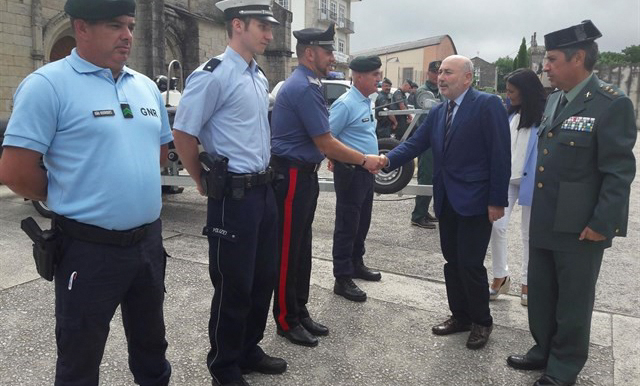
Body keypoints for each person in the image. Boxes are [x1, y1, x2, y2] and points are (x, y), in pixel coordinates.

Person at [0, 0, 172, 384]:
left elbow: (158, 154)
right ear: (81, 28)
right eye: (115, 26)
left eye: (130, 25)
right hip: (89, 250)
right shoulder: (48, 85)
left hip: (147, 245)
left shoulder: (145, 86)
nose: (127, 36)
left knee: (152, 347)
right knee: (80, 355)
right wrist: (75, 191)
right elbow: (15, 172)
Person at [506, 20, 637, 386]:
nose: (544, 66)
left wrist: (602, 222)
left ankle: (563, 369)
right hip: (547, 215)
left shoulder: (612, 103)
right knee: (543, 292)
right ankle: (543, 350)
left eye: (551, 59)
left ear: (578, 58)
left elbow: (618, 172)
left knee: (574, 301)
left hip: (581, 224)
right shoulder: (555, 100)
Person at [171, 1, 285, 385]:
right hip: (233, 196)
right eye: (262, 27)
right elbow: (184, 131)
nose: (269, 34)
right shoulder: (213, 75)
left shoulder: (258, 75)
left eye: (270, 27)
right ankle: (224, 365)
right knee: (233, 283)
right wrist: (200, 179)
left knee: (262, 278)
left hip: (262, 191)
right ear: (237, 25)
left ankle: (248, 349)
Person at [377, 55, 510, 350]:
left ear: (467, 78)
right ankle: (460, 316)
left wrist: (497, 201)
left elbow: (500, 155)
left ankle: (481, 321)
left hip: (476, 201)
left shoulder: (487, 105)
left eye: (448, 72)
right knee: (452, 261)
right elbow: (415, 144)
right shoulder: (439, 111)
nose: (441, 77)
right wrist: (386, 159)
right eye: (439, 73)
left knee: (471, 264)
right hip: (447, 199)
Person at [270, 23, 382, 348]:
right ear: (309, 52)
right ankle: (285, 319)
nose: (333, 57)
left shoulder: (311, 84)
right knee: (289, 251)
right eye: (328, 51)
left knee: (302, 248)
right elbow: (327, 142)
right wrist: (364, 159)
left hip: (304, 174)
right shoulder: (303, 87)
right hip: (291, 175)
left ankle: (299, 310)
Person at [488, 68, 546, 306]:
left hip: (533, 184)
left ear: (526, 91)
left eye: (512, 91)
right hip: (506, 181)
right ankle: (500, 276)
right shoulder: (509, 115)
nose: (508, 95)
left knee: (529, 235)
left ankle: (529, 282)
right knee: (496, 226)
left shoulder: (545, 117)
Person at [329, 56, 383, 302]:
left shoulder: (366, 102)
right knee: (347, 225)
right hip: (350, 172)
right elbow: (327, 137)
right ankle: (342, 276)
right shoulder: (346, 104)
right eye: (375, 75)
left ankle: (356, 263)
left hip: (365, 172)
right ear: (359, 76)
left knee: (362, 222)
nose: (379, 79)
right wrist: (336, 158)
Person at [411, 60, 445, 229]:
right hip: (428, 141)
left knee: (434, 177)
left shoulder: (440, 91)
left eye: (440, 72)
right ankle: (418, 215)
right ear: (429, 73)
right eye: (435, 72)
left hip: (439, 139)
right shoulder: (423, 92)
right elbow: (426, 119)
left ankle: (424, 211)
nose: (438, 75)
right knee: (426, 176)